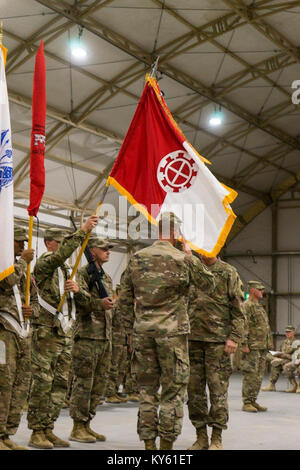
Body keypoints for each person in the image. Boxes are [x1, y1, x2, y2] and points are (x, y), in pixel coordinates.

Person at [119, 212, 215, 450]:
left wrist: (130, 332)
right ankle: (166, 447)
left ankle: (149, 445)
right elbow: (209, 284)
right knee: (173, 392)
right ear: (176, 233)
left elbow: (124, 300)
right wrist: (191, 257)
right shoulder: (182, 259)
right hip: (172, 335)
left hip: (143, 334)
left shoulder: (137, 258)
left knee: (147, 391)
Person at [27, 215, 98, 449]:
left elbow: (84, 302)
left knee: (59, 383)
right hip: (46, 331)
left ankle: (49, 427)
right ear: (49, 243)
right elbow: (61, 255)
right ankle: (36, 430)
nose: (64, 247)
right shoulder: (45, 263)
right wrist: (82, 231)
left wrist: (77, 290)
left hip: (65, 332)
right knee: (43, 382)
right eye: (61, 242)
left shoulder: (69, 271)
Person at [187, 254, 245, 451]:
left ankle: (216, 438)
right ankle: (201, 436)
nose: (204, 251)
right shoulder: (192, 270)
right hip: (192, 340)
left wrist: (234, 337)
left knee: (218, 392)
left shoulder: (228, 272)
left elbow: (238, 309)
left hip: (218, 343)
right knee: (194, 393)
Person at [68, 236, 114, 443]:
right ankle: (77, 426)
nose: (108, 252)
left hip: (104, 336)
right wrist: (98, 304)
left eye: (109, 249)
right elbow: (79, 302)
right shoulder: (82, 273)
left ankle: (87, 423)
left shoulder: (107, 278)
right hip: (87, 335)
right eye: (104, 248)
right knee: (84, 383)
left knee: (99, 384)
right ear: (92, 251)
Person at [0, 226, 38, 451]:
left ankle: (7, 433)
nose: (23, 246)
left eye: (24, 243)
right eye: (18, 242)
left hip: (23, 333)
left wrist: (33, 310)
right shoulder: (8, 267)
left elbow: (35, 299)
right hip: (3, 332)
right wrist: (23, 261)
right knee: (3, 384)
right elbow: (7, 282)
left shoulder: (26, 271)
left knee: (20, 384)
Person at [241, 281, 273, 412]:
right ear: (253, 290)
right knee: (251, 374)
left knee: (259, 375)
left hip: (261, 346)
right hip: (253, 346)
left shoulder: (258, 306)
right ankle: (246, 402)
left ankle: (253, 400)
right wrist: (244, 343)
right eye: (260, 290)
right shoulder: (247, 306)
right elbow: (243, 325)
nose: (262, 292)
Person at [105, 285, 128, 404]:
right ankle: (109, 393)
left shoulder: (125, 306)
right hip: (115, 340)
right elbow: (110, 322)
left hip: (122, 340)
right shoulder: (115, 305)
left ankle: (114, 390)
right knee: (113, 367)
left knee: (121, 367)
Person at [262, 325, 295, 392]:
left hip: (290, 361)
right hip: (282, 360)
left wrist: (284, 356)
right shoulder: (284, 342)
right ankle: (272, 385)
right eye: (286, 332)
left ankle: (294, 385)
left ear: (293, 332)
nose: (287, 333)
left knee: (277, 363)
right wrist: (277, 354)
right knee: (270, 357)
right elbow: (279, 351)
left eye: (289, 332)